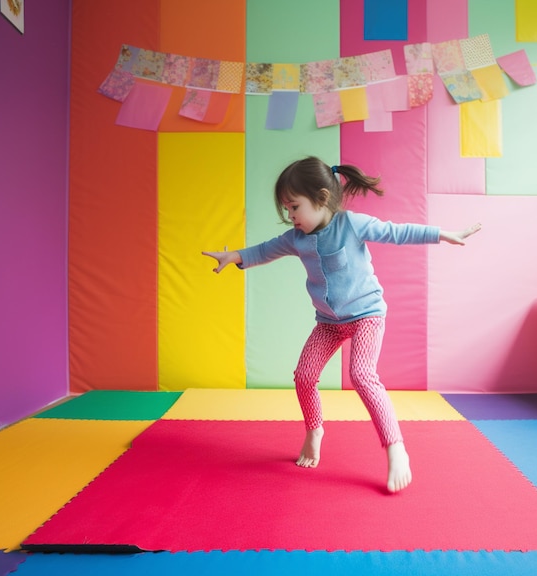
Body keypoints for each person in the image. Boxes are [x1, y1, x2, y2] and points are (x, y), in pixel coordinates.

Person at [202, 156, 481, 493]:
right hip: (329, 322)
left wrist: (442, 235)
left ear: (321, 198)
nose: (290, 216)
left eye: (294, 207)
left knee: (362, 375)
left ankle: (396, 448)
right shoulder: (297, 238)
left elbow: (397, 231)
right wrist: (234, 257)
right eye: (287, 209)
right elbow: (265, 249)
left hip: (366, 316)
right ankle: (314, 430)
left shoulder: (351, 224)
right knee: (304, 375)